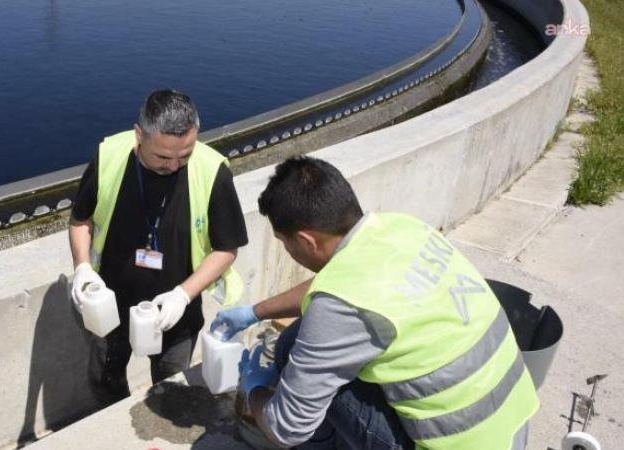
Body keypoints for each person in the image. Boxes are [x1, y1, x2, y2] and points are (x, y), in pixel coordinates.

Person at [211, 156, 539, 449]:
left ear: (307, 241)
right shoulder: (402, 228)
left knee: (306, 382)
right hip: (510, 421)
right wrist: (255, 313)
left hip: (451, 444)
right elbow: (334, 284)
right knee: (294, 343)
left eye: (285, 243)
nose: (288, 251)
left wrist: (253, 388)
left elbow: (286, 427)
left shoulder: (341, 305)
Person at [69, 89, 248, 402]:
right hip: (110, 305)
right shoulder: (110, 156)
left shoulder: (212, 171)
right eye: (163, 156)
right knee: (104, 381)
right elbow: (80, 220)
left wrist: (183, 294)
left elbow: (226, 249)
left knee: (171, 391)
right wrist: (82, 267)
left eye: (185, 154)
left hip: (176, 315)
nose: (174, 166)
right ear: (140, 135)